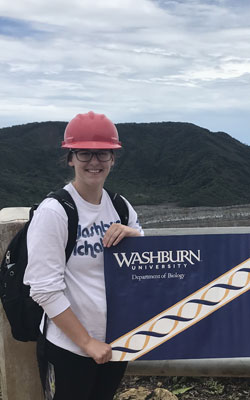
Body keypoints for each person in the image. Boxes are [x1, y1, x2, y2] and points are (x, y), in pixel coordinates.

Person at [24, 111, 143, 400]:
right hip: (70, 348)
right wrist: (87, 342)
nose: (94, 162)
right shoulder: (55, 212)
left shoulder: (120, 206)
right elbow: (44, 289)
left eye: (103, 154)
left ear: (113, 159)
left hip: (115, 341)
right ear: (70, 158)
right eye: (84, 153)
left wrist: (134, 237)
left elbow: (146, 265)